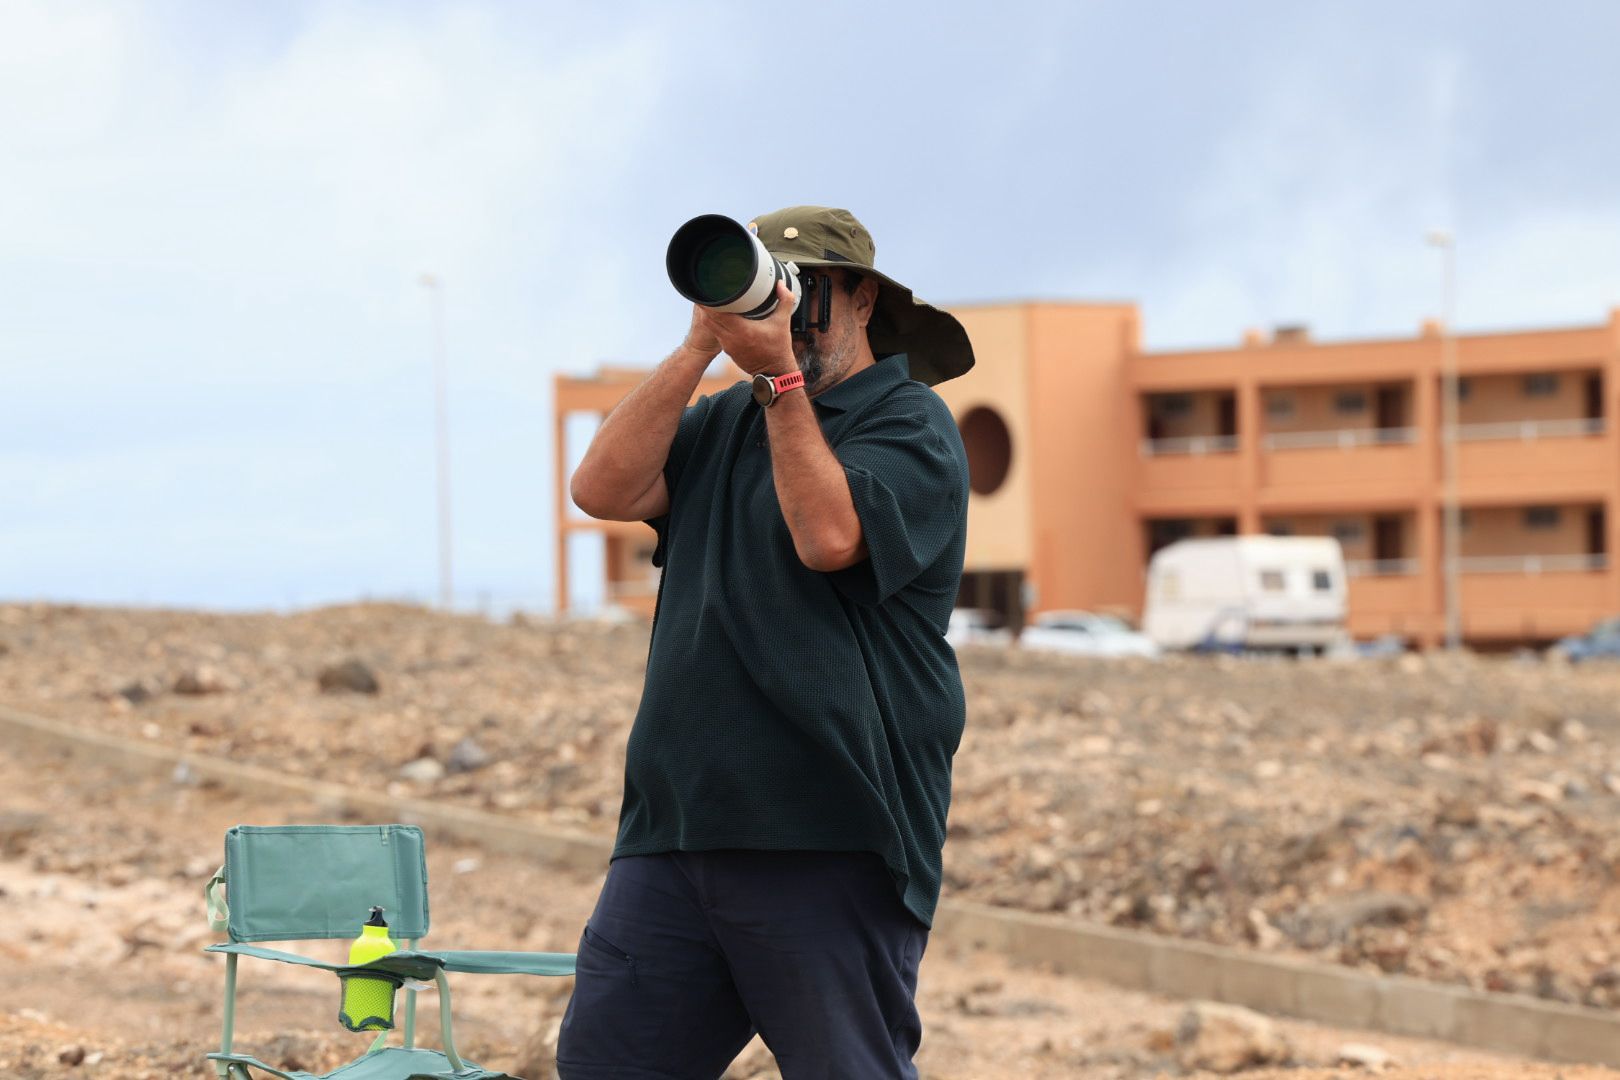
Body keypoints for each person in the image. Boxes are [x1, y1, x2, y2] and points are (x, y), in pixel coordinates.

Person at [558, 205, 976, 1079]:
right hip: (675, 832)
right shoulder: (723, 422)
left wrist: (780, 378)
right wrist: (698, 348)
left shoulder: (910, 424)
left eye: (806, 291)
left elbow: (829, 537)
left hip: (829, 836)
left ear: (862, 298)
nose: (783, 315)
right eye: (771, 292)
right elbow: (599, 489)